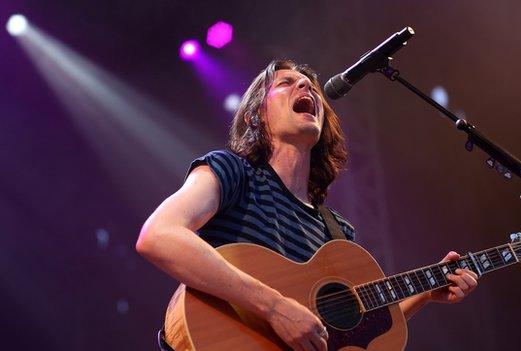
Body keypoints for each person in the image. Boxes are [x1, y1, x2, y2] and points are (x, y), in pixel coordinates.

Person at [136, 59, 478, 351]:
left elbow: (350, 328)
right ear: (258, 115)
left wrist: (425, 293)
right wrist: (274, 307)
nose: (305, 85)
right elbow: (159, 235)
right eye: (286, 83)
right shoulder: (232, 172)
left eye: (310, 86)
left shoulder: (337, 231)